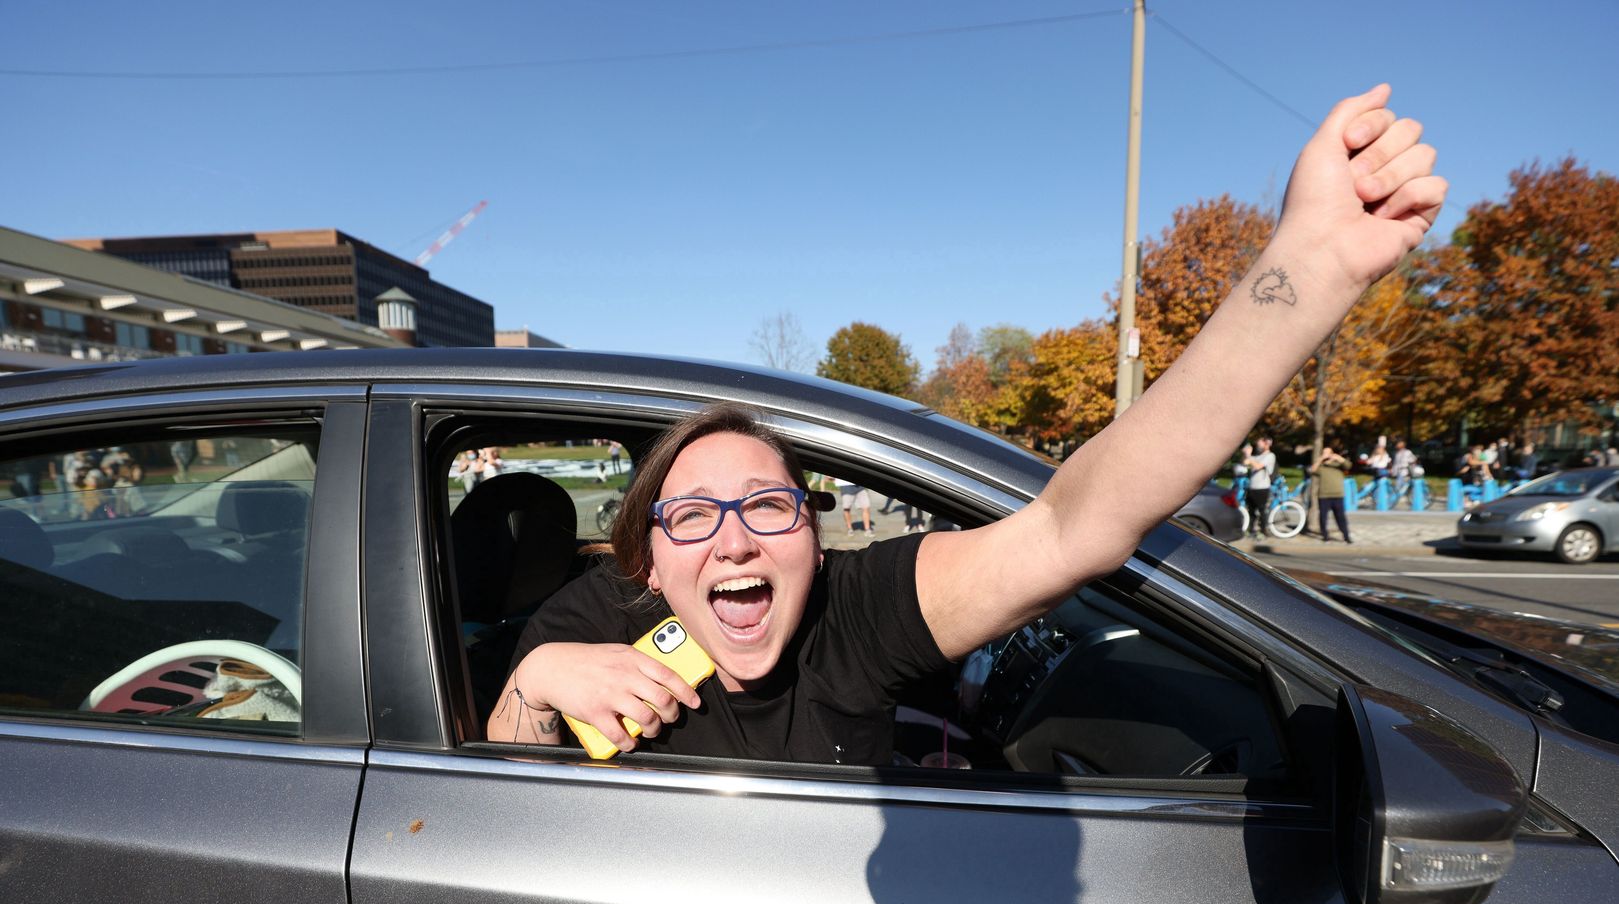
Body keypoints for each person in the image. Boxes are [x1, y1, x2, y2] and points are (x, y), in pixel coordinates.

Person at [486, 84, 1446, 763]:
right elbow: (497, 788)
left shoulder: (854, 612)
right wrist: (540, 683)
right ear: (648, 559)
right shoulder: (599, 620)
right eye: (692, 515)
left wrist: (1310, 267)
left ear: (814, 541)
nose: (734, 537)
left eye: (768, 507)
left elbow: (1077, 523)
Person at [1310, 446, 1352, 543]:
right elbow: (1312, 470)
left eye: (1328, 452)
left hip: (1338, 495)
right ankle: (1325, 536)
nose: (1327, 455)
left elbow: (1349, 466)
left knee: (1340, 517)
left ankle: (1346, 536)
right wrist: (1320, 459)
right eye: (1324, 452)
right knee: (1323, 517)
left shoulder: (1338, 465)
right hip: (1324, 495)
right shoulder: (1321, 466)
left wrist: (1338, 458)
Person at [1240, 437, 1276, 539]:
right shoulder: (1257, 456)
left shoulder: (1270, 456)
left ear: (1266, 444)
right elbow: (1244, 463)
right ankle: (1251, 530)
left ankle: (1264, 531)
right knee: (1251, 511)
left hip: (1262, 487)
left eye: (1260, 444)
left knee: (1262, 510)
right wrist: (1245, 454)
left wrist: (1248, 455)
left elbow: (1257, 466)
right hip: (1252, 487)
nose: (1258, 446)